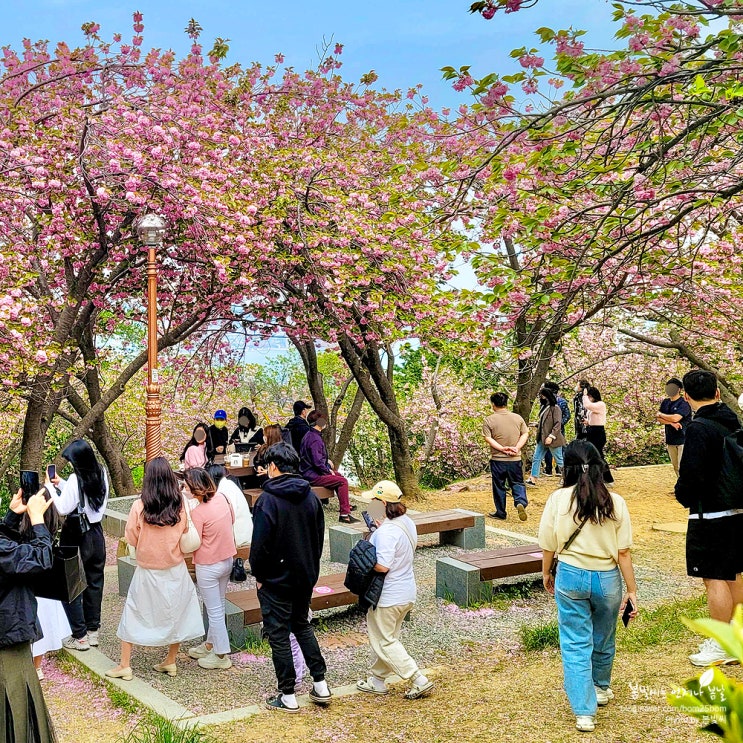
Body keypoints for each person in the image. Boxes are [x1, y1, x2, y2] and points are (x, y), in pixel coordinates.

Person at [538, 440, 638, 733]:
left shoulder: (558, 499)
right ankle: (601, 687)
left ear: (566, 467)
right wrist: (631, 590)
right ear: (599, 465)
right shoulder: (615, 501)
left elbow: (547, 544)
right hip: (607, 577)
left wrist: (546, 573)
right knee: (604, 635)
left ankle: (584, 712)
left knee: (574, 642)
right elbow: (624, 553)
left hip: (570, 575)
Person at [249, 442, 331, 713]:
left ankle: (287, 693)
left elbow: (259, 547)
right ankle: (320, 683)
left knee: (279, 635)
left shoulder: (267, 501)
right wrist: (311, 569)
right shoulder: (311, 498)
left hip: (275, 580)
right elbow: (319, 540)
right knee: (302, 626)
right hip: (305, 575)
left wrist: (260, 576)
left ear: (272, 467)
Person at [106, 457, 204, 681]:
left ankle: (125, 665)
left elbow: (131, 536)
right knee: (176, 613)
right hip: (175, 569)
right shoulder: (180, 504)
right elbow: (185, 531)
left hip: (147, 571)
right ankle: (170, 661)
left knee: (134, 613)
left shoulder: (140, 505)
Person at [675, 370, 743, 667]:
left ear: (686, 397)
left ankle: (721, 642)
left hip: (710, 513)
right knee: (736, 573)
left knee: (714, 576)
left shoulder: (699, 428)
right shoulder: (731, 421)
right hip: (737, 509)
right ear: (717, 392)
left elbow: (692, 474)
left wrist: (683, 495)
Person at [356, 480, 433, 700]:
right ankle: (377, 681)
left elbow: (382, 565)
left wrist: (363, 556)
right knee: (387, 638)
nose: (370, 504)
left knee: (384, 641)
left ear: (382, 503)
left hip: (387, 595)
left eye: (373, 500)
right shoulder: (406, 522)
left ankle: (418, 678)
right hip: (406, 592)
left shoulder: (386, 532)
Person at [0, 487, 56, 742]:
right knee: (15, 718)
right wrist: (36, 520)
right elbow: (41, 558)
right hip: (7, 645)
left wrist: (12, 518)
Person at [46, 439, 109, 651]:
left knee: (70, 581)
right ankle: (92, 631)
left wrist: (49, 487)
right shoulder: (100, 472)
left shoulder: (76, 477)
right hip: (96, 532)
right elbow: (85, 497)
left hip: (75, 532)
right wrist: (61, 484)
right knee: (95, 580)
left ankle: (79, 635)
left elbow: (64, 507)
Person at [182, 468, 236, 671]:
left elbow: (193, 542)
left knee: (214, 611)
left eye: (186, 486)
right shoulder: (222, 498)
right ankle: (210, 645)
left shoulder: (198, 512)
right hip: (227, 559)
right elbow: (231, 520)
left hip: (208, 565)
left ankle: (221, 655)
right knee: (218, 606)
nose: (184, 489)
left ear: (195, 488)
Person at [23, 491, 70, 680]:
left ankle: (31, 665)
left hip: (29, 584)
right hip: (46, 586)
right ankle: (37, 666)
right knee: (45, 621)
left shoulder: (25, 524)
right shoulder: (51, 522)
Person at [300, 411, 359, 524]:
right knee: (342, 481)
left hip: (309, 471)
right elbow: (317, 462)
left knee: (338, 475)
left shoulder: (309, 435)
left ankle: (345, 505)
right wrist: (327, 471)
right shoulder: (315, 439)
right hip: (312, 475)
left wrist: (328, 469)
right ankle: (344, 514)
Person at [482, 392, 529, 521]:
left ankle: (501, 512)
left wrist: (501, 449)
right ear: (506, 403)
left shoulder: (489, 420)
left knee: (499, 485)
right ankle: (520, 502)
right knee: (518, 482)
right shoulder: (517, 418)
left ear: (493, 404)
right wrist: (517, 448)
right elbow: (525, 434)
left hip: (498, 459)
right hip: (515, 459)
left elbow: (488, 438)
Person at [206, 464, 253, 546]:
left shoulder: (226, 489)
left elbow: (228, 517)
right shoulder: (227, 485)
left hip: (240, 537)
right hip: (240, 533)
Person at [527, 388, 566, 486]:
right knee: (537, 458)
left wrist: (551, 436)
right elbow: (544, 423)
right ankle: (533, 478)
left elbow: (558, 424)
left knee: (559, 459)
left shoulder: (555, 408)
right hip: (542, 438)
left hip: (552, 439)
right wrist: (536, 424)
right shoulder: (544, 407)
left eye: (542, 395)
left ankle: (566, 477)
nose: (541, 397)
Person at [656, 377, 693, 478]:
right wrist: (670, 423)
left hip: (683, 438)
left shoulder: (684, 403)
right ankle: (680, 485)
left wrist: (661, 415)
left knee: (683, 466)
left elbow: (676, 418)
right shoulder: (665, 402)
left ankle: (686, 488)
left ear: (679, 389)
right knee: (675, 466)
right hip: (671, 439)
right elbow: (658, 419)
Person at [582, 386, 614, 484]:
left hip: (598, 432)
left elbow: (587, 405)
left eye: (589, 396)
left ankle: (607, 478)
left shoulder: (601, 404)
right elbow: (595, 418)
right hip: (592, 430)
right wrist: (587, 422)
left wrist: (584, 396)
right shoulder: (594, 406)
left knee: (598, 455)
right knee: (592, 455)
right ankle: (595, 477)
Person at [543, 381, 571, 476]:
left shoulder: (546, 401)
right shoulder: (562, 401)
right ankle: (558, 470)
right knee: (559, 448)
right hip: (559, 429)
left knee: (549, 448)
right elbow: (567, 415)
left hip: (548, 429)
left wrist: (557, 424)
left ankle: (549, 469)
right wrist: (560, 424)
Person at [253, 423, 284, 489]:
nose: (263, 437)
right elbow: (256, 460)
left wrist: (268, 472)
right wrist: (258, 466)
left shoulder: (281, 451)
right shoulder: (263, 448)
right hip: (263, 481)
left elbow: (283, 469)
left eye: (265, 435)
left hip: (276, 483)